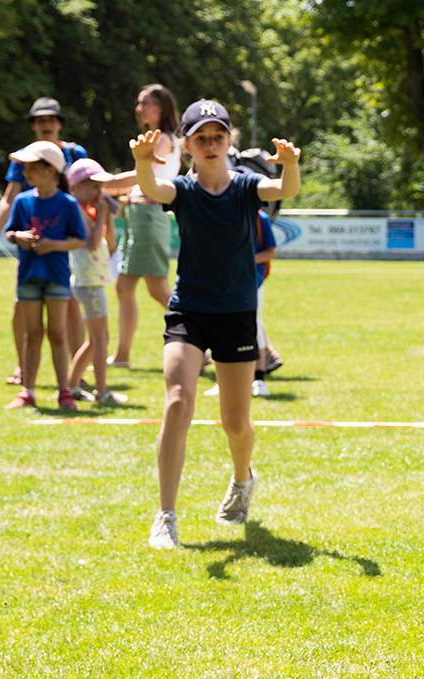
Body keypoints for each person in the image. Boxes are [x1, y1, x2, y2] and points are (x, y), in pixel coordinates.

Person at [127, 100, 300, 550]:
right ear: (186, 145)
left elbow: (284, 189)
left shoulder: (246, 187)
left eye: (217, 137)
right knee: (178, 401)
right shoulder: (181, 190)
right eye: (200, 137)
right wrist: (143, 163)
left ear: (229, 143)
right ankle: (165, 515)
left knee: (236, 422)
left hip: (237, 314)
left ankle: (242, 479)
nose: (210, 144)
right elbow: (152, 189)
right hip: (189, 310)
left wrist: (292, 164)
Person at [0, 97, 90, 386]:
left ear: (59, 124)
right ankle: (24, 369)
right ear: (33, 126)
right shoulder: (28, 160)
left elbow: (90, 188)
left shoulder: (74, 153)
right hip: (33, 251)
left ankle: (75, 372)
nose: (46, 124)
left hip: (68, 240)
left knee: (71, 307)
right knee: (23, 308)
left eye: (51, 119)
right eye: (40, 120)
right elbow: (8, 198)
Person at [1, 141, 88, 410]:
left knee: (58, 334)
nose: (24, 172)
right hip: (28, 275)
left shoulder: (68, 204)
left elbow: (79, 239)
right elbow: (10, 232)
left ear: (51, 170)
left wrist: (53, 246)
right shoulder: (22, 201)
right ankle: (28, 391)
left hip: (57, 276)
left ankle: (64, 392)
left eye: (31, 167)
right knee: (32, 334)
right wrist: (18, 237)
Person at [112, 84, 182, 368]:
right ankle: (122, 356)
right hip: (140, 214)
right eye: (138, 103)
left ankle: (201, 342)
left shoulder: (164, 139)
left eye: (146, 103)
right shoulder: (156, 139)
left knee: (157, 290)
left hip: (150, 215)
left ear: (162, 108)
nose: (139, 109)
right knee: (124, 286)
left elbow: (143, 177)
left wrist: (102, 183)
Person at [61, 158, 127, 406]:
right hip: (88, 283)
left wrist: (106, 216)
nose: (100, 192)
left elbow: (109, 244)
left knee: (95, 339)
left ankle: (72, 386)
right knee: (101, 339)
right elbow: (90, 243)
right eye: (94, 186)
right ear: (78, 187)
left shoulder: (89, 210)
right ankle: (102, 392)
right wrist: (100, 215)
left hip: (92, 281)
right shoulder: (76, 211)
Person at [203, 209, 278, 399]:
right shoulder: (220, 213)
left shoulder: (260, 218)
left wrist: (244, 260)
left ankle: (259, 379)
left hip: (251, 282)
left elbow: (270, 252)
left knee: (252, 325)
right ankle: (223, 382)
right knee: (222, 328)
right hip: (222, 280)